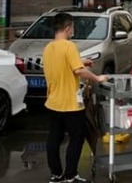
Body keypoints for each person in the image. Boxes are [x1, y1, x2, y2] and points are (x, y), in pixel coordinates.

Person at [43, 13, 108, 183]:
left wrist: (82, 61)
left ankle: (56, 175)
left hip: (52, 102)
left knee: (54, 140)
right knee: (77, 138)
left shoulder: (49, 47)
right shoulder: (69, 46)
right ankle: (70, 174)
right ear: (67, 28)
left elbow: (65, 64)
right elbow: (78, 71)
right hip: (71, 104)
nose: (73, 30)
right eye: (72, 27)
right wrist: (97, 78)